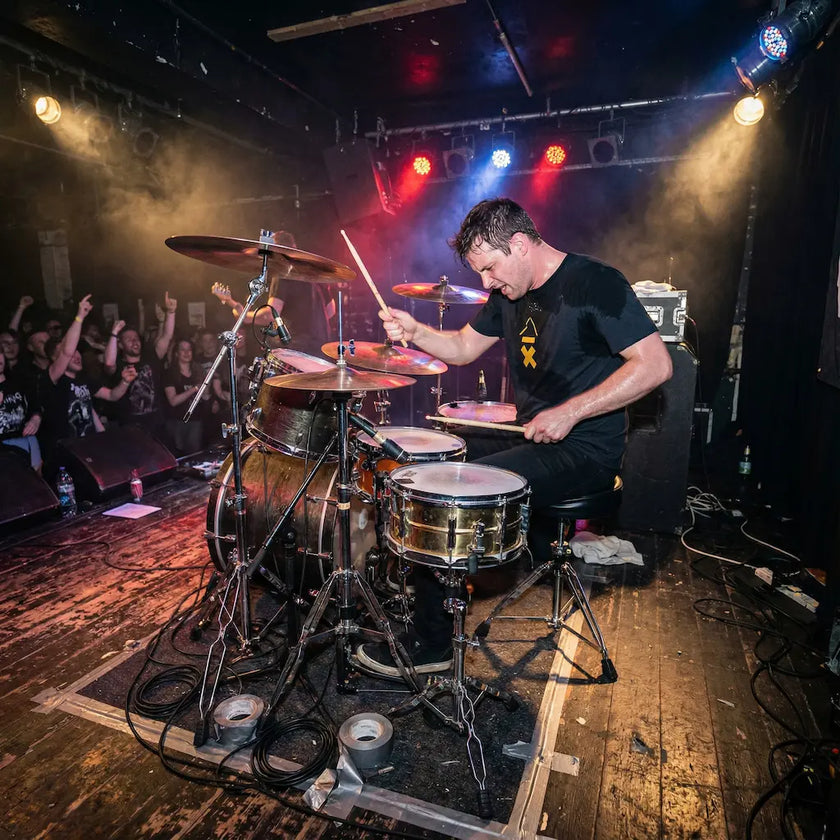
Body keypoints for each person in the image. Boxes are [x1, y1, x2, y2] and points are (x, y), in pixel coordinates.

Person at [356, 197, 673, 676]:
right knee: (430, 465)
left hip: (586, 451)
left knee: (449, 494)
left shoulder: (596, 282)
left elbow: (656, 365)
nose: (486, 282)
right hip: (533, 435)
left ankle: (431, 644)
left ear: (520, 244)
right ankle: (430, 593)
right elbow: (463, 347)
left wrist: (571, 412)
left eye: (489, 268)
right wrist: (415, 329)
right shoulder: (508, 293)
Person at [39, 295, 137, 473]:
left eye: (77, 351)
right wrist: (79, 317)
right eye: (71, 352)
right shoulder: (53, 379)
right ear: (55, 358)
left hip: (89, 448)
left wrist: (124, 381)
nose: (76, 355)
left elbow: (112, 395)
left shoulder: (84, 380)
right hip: (66, 451)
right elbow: (66, 351)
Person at [212, 230, 335, 356]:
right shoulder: (315, 273)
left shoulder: (284, 272)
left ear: (273, 251)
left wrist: (245, 317)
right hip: (322, 351)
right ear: (294, 247)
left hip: (297, 352)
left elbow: (269, 315)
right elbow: (331, 310)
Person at [105, 292, 177, 437]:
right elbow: (108, 362)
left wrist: (171, 312)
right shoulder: (119, 365)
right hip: (131, 429)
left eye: (136, 338)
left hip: (156, 426)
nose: (134, 341)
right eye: (128, 339)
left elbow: (167, 337)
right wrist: (114, 333)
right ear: (120, 344)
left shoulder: (151, 358)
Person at [0, 348, 42, 471]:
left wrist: (36, 419)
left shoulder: (19, 382)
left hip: (25, 441)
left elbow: (36, 406)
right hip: (3, 449)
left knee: (35, 480)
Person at [162, 338, 206, 455]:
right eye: (183, 349)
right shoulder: (170, 373)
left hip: (196, 420)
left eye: (189, 349)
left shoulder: (198, 370)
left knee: (194, 454)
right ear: (177, 353)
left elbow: (205, 396)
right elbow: (173, 401)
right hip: (177, 421)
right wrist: (194, 389)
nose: (186, 352)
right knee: (178, 455)